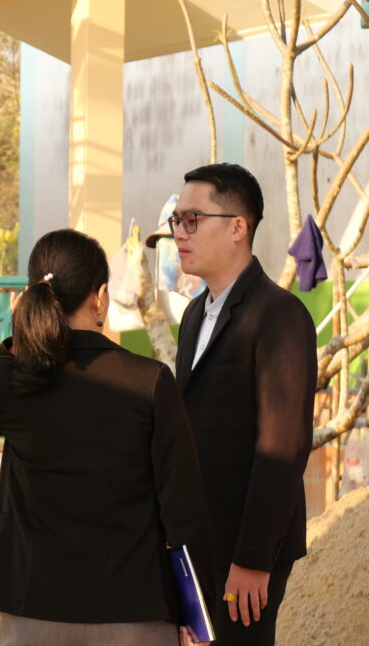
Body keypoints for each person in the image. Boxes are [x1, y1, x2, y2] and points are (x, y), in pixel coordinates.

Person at [0, 228, 215, 646]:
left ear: (32, 296)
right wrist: (197, 613)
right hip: (133, 610)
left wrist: (20, 338)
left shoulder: (11, 379)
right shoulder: (148, 381)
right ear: (101, 297)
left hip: (32, 609)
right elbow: (183, 507)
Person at [172, 163, 316, 645]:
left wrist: (253, 558)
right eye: (177, 220)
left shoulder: (279, 314)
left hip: (244, 550)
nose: (179, 233)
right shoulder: (195, 313)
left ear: (238, 227)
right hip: (197, 542)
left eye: (192, 219)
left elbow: (284, 447)